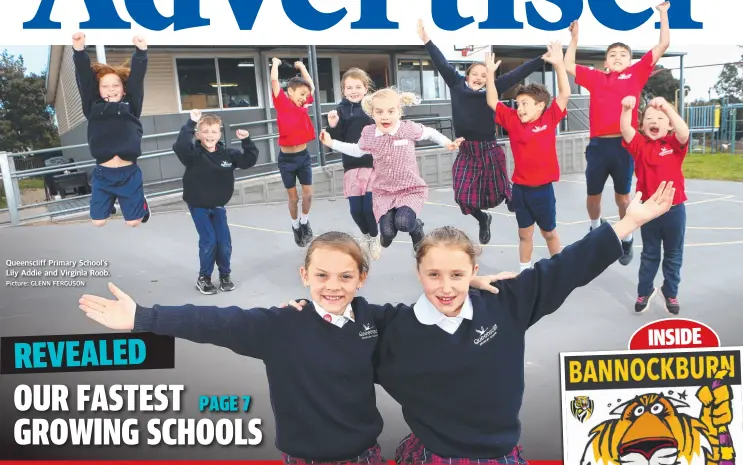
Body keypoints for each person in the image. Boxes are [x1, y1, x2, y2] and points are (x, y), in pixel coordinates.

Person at [284, 182, 676, 463]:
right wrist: (300, 308)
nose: (445, 287)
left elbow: (566, 268)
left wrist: (629, 223)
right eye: (433, 275)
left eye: (457, 275)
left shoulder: (505, 304)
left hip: (498, 454)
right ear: (418, 272)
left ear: (473, 270)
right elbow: (337, 306)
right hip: (431, 455)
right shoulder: (392, 325)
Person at [78, 233, 504, 464]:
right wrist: (141, 318)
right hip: (305, 458)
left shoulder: (375, 319)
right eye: (322, 275)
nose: (332, 286)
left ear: (361, 280)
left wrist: (473, 287)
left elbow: (431, 305)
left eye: (344, 277)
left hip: (364, 455)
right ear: (305, 276)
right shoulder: (280, 325)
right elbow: (212, 321)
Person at [417, 19, 547, 244]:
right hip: (466, 150)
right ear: (467, 76)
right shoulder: (457, 85)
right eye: (474, 73)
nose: (479, 77)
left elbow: (518, 73)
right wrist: (427, 40)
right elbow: (441, 63)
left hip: (488, 148)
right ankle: (483, 218)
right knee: (462, 196)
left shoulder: (493, 91)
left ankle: (514, 199)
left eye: (484, 75)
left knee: (499, 191)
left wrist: (542, 57)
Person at [564, 1, 670, 265]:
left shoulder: (636, 74)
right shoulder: (596, 78)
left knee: (623, 197)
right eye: (613, 55)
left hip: (625, 145)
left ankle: (626, 237)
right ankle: (594, 226)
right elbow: (568, 65)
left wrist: (663, 14)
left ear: (630, 60)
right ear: (606, 63)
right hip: (598, 145)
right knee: (593, 196)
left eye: (623, 54)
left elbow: (662, 44)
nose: (618, 57)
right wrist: (574, 38)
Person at [319, 87, 463, 251]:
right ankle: (390, 226)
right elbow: (356, 150)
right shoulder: (370, 134)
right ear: (372, 114)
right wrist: (332, 144)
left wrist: (447, 143)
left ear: (398, 112)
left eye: (390, 111)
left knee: (403, 222)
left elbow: (430, 132)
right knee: (386, 236)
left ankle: (416, 228)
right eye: (379, 112)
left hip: (409, 189)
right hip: (384, 191)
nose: (385, 116)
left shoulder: (407, 129)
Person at [486, 44, 569, 272]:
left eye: (525, 104)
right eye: (518, 103)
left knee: (549, 232)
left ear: (540, 106)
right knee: (524, 233)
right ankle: (524, 271)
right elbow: (492, 101)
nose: (519, 108)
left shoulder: (549, 119)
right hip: (520, 189)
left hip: (542, 190)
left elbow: (564, 94)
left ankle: (560, 268)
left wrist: (559, 65)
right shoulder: (512, 120)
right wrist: (491, 75)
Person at [172, 110, 259, 295]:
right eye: (205, 131)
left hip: (218, 205)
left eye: (213, 131)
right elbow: (180, 146)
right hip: (198, 205)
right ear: (198, 135)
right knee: (209, 240)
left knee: (223, 241)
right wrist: (191, 122)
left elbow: (248, 160)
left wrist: (247, 140)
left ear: (219, 134)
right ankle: (204, 278)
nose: (209, 135)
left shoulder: (228, 155)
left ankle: (225, 276)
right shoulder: (193, 155)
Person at [72, 32, 151, 227]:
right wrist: (79, 50)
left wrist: (141, 52)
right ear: (98, 90)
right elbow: (84, 79)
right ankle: (110, 204)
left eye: (116, 85)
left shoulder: (130, 106)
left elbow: (137, 80)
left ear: (123, 89)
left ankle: (141, 205)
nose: (111, 89)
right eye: (105, 86)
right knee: (98, 222)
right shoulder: (92, 108)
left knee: (133, 222)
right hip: (103, 174)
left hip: (129, 172)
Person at [620, 96, 689, 315]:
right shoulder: (640, 145)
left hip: (675, 209)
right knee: (650, 254)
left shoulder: (674, 145)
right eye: (649, 117)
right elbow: (625, 130)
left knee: (674, 254)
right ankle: (645, 290)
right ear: (642, 125)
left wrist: (667, 107)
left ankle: (670, 291)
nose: (654, 120)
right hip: (649, 210)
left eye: (661, 117)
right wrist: (625, 109)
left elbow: (684, 132)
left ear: (669, 124)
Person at [326, 68, 381, 260]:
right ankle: (365, 235)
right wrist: (333, 126)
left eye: (358, 86)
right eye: (349, 87)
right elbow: (335, 141)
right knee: (356, 210)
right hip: (351, 166)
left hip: (373, 165)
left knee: (368, 208)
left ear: (366, 88)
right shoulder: (340, 111)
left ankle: (375, 237)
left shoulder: (373, 107)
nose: (354, 90)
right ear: (343, 90)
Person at [271, 57, 317, 247]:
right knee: (294, 198)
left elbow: (311, 86)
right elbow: (274, 81)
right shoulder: (282, 102)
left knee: (308, 195)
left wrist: (303, 67)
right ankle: (295, 225)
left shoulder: (304, 105)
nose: (305, 97)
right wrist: (275, 64)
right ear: (289, 91)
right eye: (301, 94)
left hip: (303, 157)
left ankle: (305, 222)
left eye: (306, 95)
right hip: (287, 159)